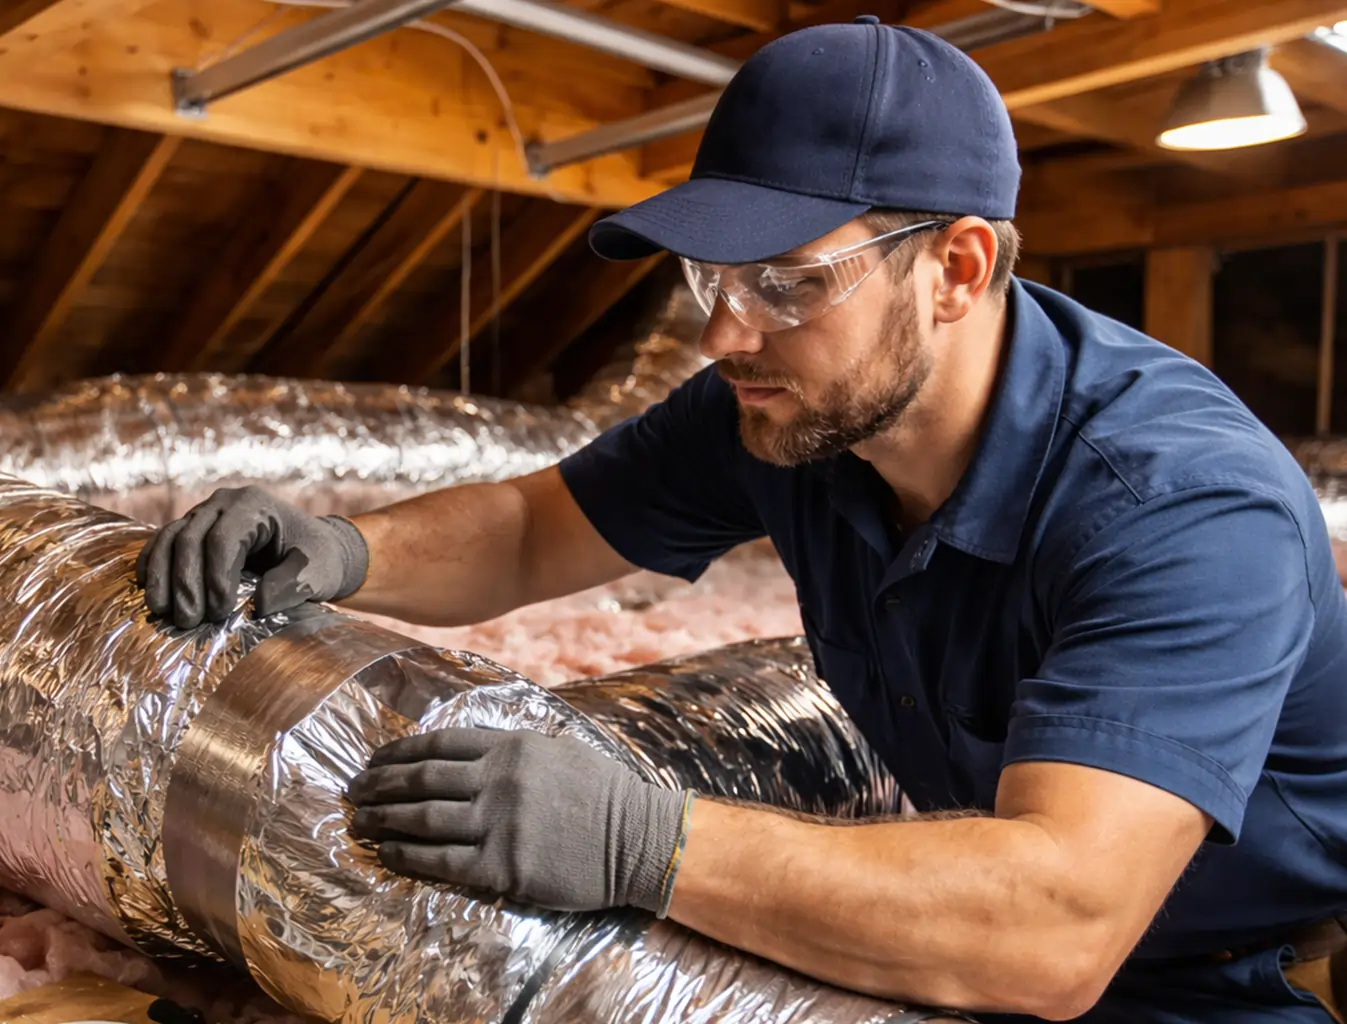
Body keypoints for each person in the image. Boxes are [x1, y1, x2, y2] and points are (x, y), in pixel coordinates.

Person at [137, 18, 1347, 1024]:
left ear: (960, 269)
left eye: (787, 283)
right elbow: (531, 526)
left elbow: (1057, 920)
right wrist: (342, 548)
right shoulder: (789, 410)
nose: (725, 335)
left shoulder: (1177, 504)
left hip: (1249, 951)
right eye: (709, 281)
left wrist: (646, 841)